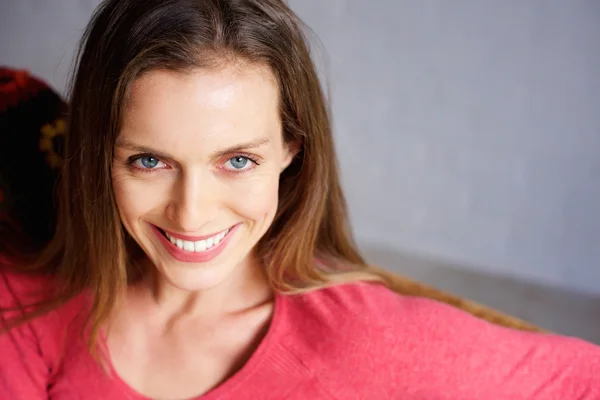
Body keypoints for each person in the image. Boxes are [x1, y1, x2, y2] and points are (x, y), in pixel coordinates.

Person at [1, 0, 599, 398]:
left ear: (292, 149)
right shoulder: (31, 303)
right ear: (96, 157)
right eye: (149, 161)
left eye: (238, 161)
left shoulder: (370, 339)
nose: (191, 213)